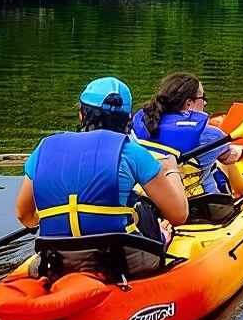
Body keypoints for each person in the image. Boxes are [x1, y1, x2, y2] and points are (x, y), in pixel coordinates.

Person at [14, 76, 189, 278]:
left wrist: (49, 219)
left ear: (81, 114)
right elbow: (179, 215)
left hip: (56, 259)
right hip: (119, 262)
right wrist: (172, 170)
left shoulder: (43, 148)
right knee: (143, 209)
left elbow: (23, 214)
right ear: (128, 118)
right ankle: (162, 236)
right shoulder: (132, 151)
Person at [132, 72, 243, 197]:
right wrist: (236, 152)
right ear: (189, 104)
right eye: (203, 98)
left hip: (151, 199)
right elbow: (229, 160)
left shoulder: (145, 125)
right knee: (220, 172)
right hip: (200, 206)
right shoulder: (212, 136)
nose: (205, 103)